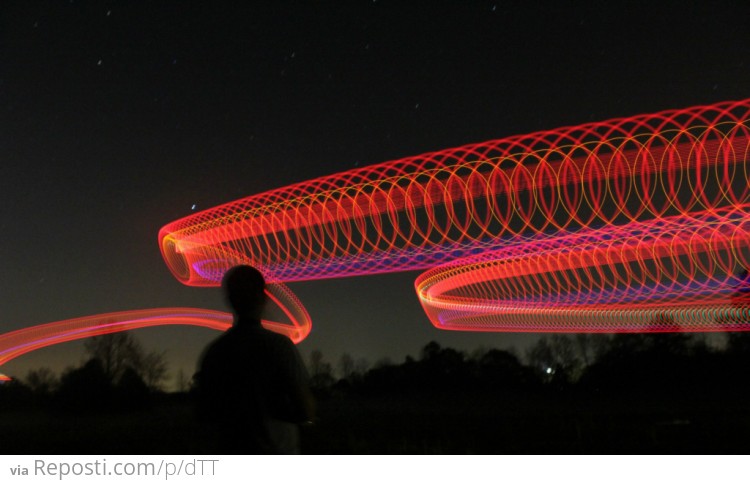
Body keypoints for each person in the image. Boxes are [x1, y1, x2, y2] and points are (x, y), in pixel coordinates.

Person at [194, 265, 314, 454]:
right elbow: (305, 411)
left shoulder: (214, 354)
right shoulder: (279, 346)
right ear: (263, 297)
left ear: (230, 300)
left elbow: (205, 416)